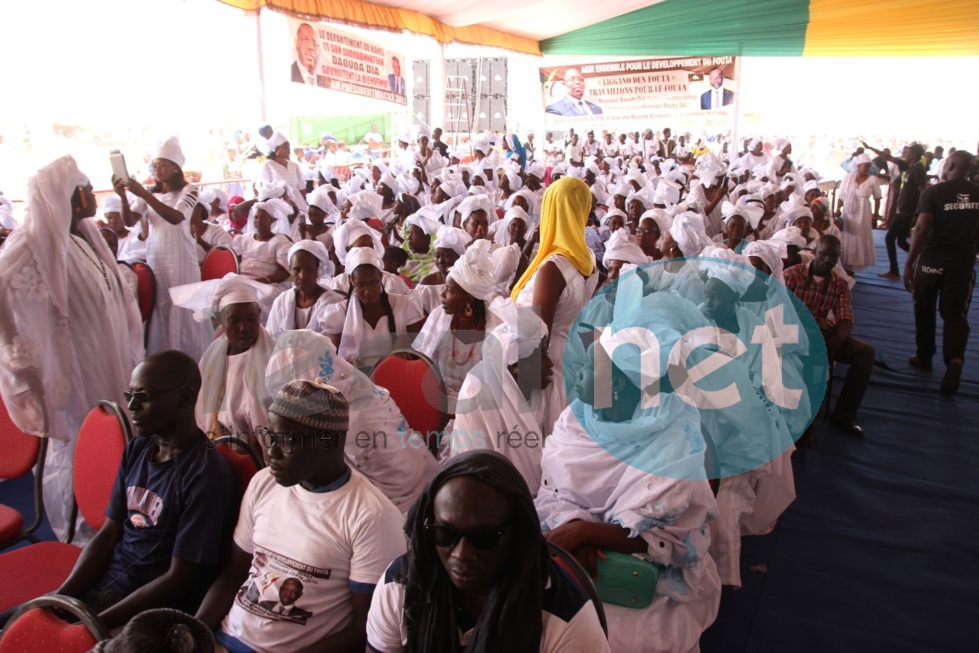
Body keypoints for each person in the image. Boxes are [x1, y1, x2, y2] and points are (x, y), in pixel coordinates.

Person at [538, 283, 721, 653]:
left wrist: (587, 534)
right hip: (575, 545)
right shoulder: (577, 418)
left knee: (612, 636)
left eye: (588, 369)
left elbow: (671, 538)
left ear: (617, 385)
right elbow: (551, 489)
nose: (576, 377)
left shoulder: (675, 439)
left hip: (648, 577)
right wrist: (574, 526)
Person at [196, 379, 406, 653]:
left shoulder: (371, 517)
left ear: (330, 443)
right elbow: (234, 573)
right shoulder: (263, 483)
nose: (270, 453)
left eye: (286, 441)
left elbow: (365, 629)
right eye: (269, 436)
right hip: (223, 640)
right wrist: (193, 632)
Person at [0, 156, 144, 541]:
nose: (92, 195)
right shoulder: (34, 242)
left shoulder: (84, 234)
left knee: (117, 435)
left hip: (107, 356)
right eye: (85, 188)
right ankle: (81, 533)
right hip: (76, 365)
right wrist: (19, 353)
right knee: (85, 445)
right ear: (72, 196)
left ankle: (117, 522)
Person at [49, 351, 236, 629]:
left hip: (150, 607)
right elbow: (109, 532)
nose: (132, 406)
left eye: (144, 397)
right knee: (18, 624)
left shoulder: (206, 475)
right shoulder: (139, 448)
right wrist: (60, 598)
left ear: (184, 398)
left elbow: (179, 577)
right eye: (130, 396)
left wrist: (92, 624)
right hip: (107, 586)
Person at [366, 451, 610, 653]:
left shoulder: (567, 619)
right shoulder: (401, 586)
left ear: (517, 535)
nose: (461, 554)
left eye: (483, 538)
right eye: (445, 534)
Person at [512, 177, 599, 432]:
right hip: (568, 361)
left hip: (544, 371)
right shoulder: (588, 260)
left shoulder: (554, 267)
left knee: (532, 442)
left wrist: (522, 383)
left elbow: (538, 335)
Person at [116, 137, 203, 360]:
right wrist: (124, 197)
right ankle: (163, 361)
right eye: (154, 165)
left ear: (175, 168)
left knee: (180, 308)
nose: (156, 169)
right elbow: (129, 221)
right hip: (158, 259)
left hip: (181, 262)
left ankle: (187, 361)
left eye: (162, 164)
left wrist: (144, 194)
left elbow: (176, 217)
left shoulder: (190, 190)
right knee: (161, 307)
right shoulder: (148, 193)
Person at [904, 150, 979, 395]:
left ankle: (924, 356)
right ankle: (954, 361)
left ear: (953, 164)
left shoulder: (933, 193)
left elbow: (922, 227)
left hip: (931, 262)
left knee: (924, 305)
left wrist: (910, 262)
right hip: (962, 264)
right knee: (955, 314)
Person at [784, 235, 874, 436]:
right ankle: (805, 418)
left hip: (823, 333)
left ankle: (844, 414)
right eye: (823, 254)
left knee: (865, 353)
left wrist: (840, 338)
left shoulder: (839, 284)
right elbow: (777, 309)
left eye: (833, 256)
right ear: (815, 253)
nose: (827, 260)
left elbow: (845, 316)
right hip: (792, 332)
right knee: (814, 356)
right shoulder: (792, 275)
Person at [319, 247, 425, 371]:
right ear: (351, 280)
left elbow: (419, 346)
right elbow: (331, 357)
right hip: (355, 377)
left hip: (395, 372)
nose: (368, 291)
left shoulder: (403, 305)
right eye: (361, 285)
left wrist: (405, 342)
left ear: (381, 277)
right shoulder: (339, 313)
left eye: (374, 283)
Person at [871, 143, 927, 279]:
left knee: (890, 238)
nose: (904, 153)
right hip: (903, 210)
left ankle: (894, 270)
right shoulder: (909, 168)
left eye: (907, 151)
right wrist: (870, 148)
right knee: (901, 241)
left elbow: (924, 192)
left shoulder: (918, 169)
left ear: (914, 153)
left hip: (907, 212)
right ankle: (924, 258)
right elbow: (889, 158)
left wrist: (919, 213)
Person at [266, 240, 342, 337]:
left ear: (318, 269)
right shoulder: (282, 301)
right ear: (290, 269)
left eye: (309, 269)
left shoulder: (332, 303)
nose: (302, 276)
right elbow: (272, 337)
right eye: (296, 270)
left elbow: (331, 345)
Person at [836, 152, 881, 273]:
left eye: (868, 166)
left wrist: (876, 215)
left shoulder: (873, 180)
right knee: (847, 235)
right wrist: (837, 209)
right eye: (864, 166)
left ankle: (855, 266)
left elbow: (877, 198)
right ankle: (845, 265)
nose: (866, 168)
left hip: (864, 212)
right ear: (858, 166)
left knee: (860, 237)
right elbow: (841, 195)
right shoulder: (848, 178)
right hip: (849, 212)